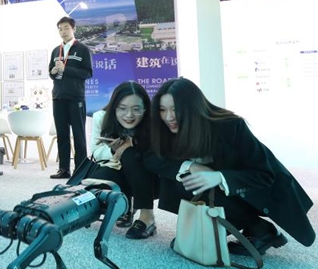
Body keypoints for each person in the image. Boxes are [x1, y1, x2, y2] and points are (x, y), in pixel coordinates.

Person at [144, 77, 315, 256]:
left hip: (261, 191)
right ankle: (234, 226)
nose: (169, 117)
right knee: (185, 179)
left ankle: (261, 229)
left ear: (193, 107)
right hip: (224, 192)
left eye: (176, 109)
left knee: (204, 184)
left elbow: (264, 175)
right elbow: (150, 158)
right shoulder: (167, 128)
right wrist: (191, 165)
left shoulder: (230, 126)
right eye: (163, 110)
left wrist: (219, 176)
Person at [89, 81, 158, 239]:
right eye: (122, 108)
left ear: (145, 109)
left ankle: (147, 217)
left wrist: (132, 143)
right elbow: (95, 152)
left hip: (147, 175)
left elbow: (158, 152)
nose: (129, 115)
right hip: (114, 167)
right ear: (114, 107)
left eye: (136, 109)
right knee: (98, 182)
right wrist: (113, 149)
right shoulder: (101, 117)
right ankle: (126, 206)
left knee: (131, 154)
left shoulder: (152, 121)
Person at [48, 16, 93, 179]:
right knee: (62, 135)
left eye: (66, 28)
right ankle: (64, 169)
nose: (63, 31)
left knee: (79, 135)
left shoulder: (82, 49)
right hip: (58, 97)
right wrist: (53, 73)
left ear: (73, 29)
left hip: (76, 97)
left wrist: (65, 69)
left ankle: (80, 170)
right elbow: (51, 72)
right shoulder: (55, 50)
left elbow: (88, 73)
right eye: (60, 28)